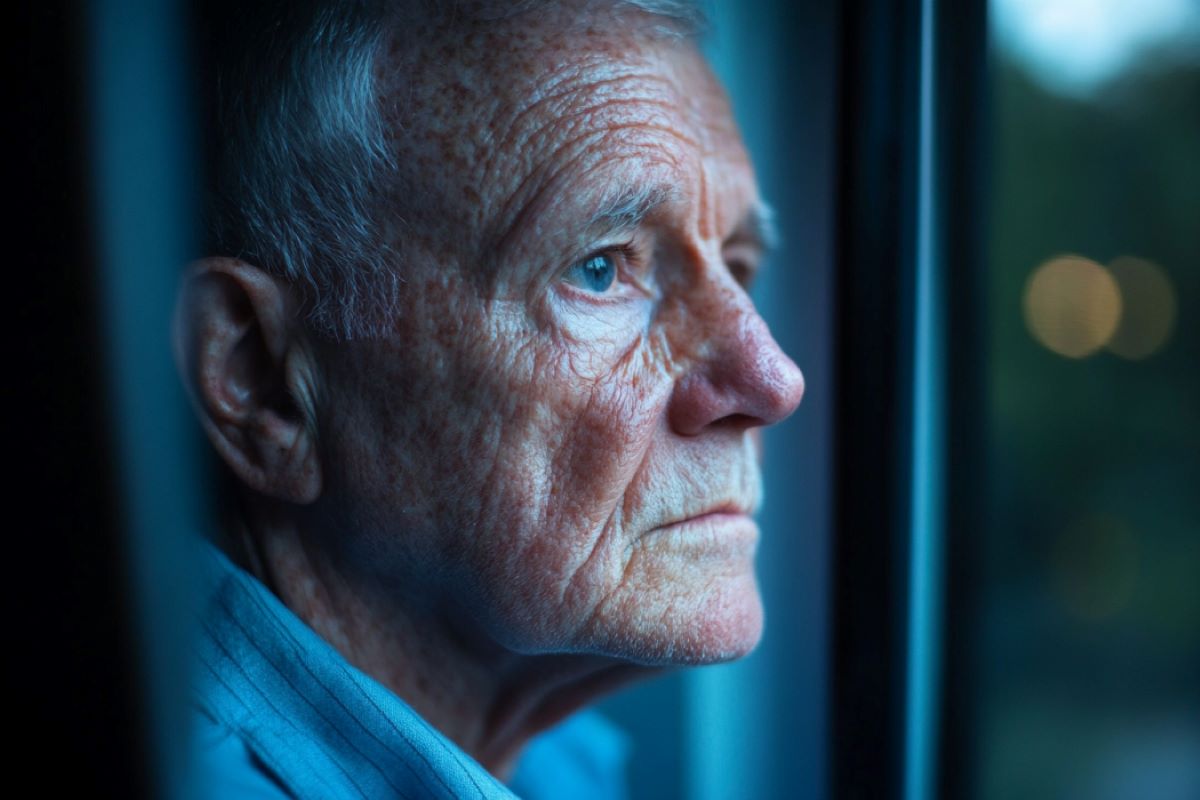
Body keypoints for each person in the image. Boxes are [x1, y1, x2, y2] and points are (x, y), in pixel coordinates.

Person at [174, 0, 805, 797]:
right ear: (265, 382)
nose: (773, 380)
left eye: (739, 264)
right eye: (601, 269)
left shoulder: (558, 762)